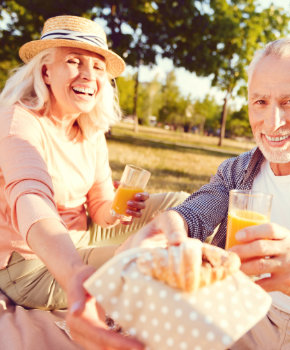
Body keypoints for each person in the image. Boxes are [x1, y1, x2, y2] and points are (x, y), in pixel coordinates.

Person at [142, 37, 290, 349]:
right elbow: (194, 214)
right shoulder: (238, 170)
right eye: (261, 102)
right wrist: (173, 224)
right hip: (248, 315)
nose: (273, 122)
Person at [0, 15, 188, 350]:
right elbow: (30, 195)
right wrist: (73, 272)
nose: (88, 74)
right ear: (45, 72)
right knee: (142, 262)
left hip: (82, 234)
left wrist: (118, 211)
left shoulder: (90, 129)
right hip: (29, 263)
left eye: (98, 66)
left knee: (182, 207)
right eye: (73, 61)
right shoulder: (19, 121)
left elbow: (100, 206)